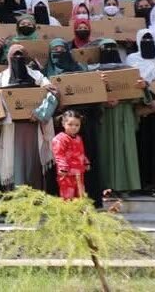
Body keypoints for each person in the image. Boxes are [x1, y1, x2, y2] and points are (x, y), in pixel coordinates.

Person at [45, 39, 103, 206]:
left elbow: (93, 94)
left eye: (62, 49)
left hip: (83, 125)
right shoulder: (44, 74)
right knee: (60, 168)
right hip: (58, 126)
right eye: (54, 49)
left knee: (86, 164)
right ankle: (61, 203)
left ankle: (89, 201)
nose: (58, 52)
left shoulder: (80, 69)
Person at [0, 44, 55, 189]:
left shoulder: (37, 76)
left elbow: (53, 93)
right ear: (8, 58)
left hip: (33, 125)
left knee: (33, 162)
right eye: (14, 55)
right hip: (11, 126)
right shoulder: (1, 78)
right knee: (13, 161)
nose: (18, 58)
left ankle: (34, 199)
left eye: (21, 54)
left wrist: (41, 113)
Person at [98, 38, 145, 192]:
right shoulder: (94, 72)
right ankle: (106, 187)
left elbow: (140, 97)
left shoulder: (129, 70)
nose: (109, 52)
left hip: (125, 115)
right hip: (104, 117)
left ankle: (127, 187)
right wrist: (103, 102)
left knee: (126, 151)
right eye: (105, 49)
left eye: (112, 48)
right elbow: (88, 95)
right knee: (105, 152)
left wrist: (141, 87)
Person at [127, 28, 155, 191]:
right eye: (143, 39)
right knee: (143, 145)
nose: (147, 42)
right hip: (140, 109)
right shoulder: (132, 59)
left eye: (150, 39)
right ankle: (144, 183)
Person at [51, 110, 90, 200]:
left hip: (79, 172)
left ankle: (79, 213)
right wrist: (63, 167)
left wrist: (85, 162)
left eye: (77, 125)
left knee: (80, 195)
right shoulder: (59, 139)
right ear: (63, 123)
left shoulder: (78, 138)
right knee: (67, 195)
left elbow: (81, 152)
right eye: (70, 124)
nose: (74, 127)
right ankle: (68, 213)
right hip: (66, 173)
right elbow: (59, 154)